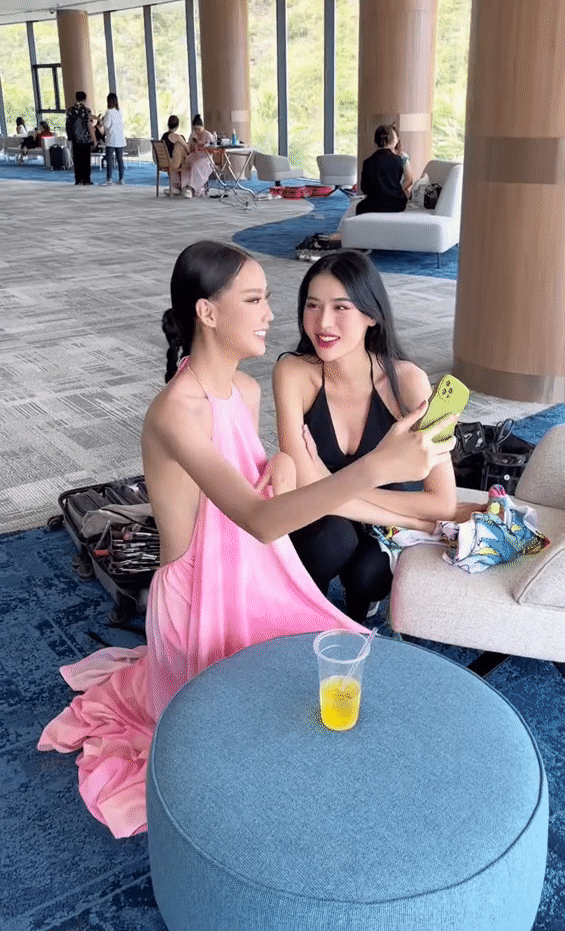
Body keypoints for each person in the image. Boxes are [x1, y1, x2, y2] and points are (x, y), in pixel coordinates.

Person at [37, 241, 457, 838]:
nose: (272, 314)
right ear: (208, 313)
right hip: (197, 602)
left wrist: (280, 464)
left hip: (251, 573)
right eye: (256, 300)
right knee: (240, 755)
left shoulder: (246, 390)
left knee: (314, 701)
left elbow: (251, 477)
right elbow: (259, 520)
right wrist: (378, 466)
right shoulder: (175, 412)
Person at [273, 250, 459, 623]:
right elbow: (304, 492)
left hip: (380, 521)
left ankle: (357, 613)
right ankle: (303, 614)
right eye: (313, 305)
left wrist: (327, 482)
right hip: (326, 520)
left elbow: (442, 502)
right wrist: (414, 519)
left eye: (341, 307)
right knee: (329, 539)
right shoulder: (292, 372)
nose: (323, 322)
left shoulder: (409, 381)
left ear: (371, 315)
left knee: (368, 573)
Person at [356, 124, 410, 215]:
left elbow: (365, 188)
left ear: (376, 141)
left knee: (359, 207)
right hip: (397, 204)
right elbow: (398, 182)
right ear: (394, 141)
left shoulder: (368, 162)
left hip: (375, 203)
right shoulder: (398, 160)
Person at [65, 90, 96, 186]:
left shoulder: (70, 110)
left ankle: (78, 179)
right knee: (86, 160)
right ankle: (86, 180)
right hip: (85, 139)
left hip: (75, 139)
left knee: (77, 160)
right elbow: (89, 125)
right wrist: (94, 139)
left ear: (76, 98)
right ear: (85, 99)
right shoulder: (86, 110)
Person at [161, 114, 193, 197]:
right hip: (173, 163)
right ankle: (185, 186)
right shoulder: (177, 137)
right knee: (182, 150)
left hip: (163, 162)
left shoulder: (163, 136)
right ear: (177, 126)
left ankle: (176, 186)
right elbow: (188, 149)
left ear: (168, 124)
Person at [186, 113, 215, 197]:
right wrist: (192, 143)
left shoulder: (208, 135)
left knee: (196, 166)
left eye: (198, 129)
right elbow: (189, 147)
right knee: (185, 163)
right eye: (195, 129)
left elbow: (211, 150)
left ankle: (193, 188)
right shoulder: (193, 134)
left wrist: (200, 143)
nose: (197, 131)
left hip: (206, 158)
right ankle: (184, 186)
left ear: (202, 127)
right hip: (196, 155)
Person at [101, 92, 126, 186]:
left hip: (111, 139)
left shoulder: (109, 112)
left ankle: (109, 179)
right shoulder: (120, 111)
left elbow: (107, 125)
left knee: (109, 160)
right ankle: (121, 179)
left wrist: (102, 120)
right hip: (120, 139)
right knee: (120, 160)